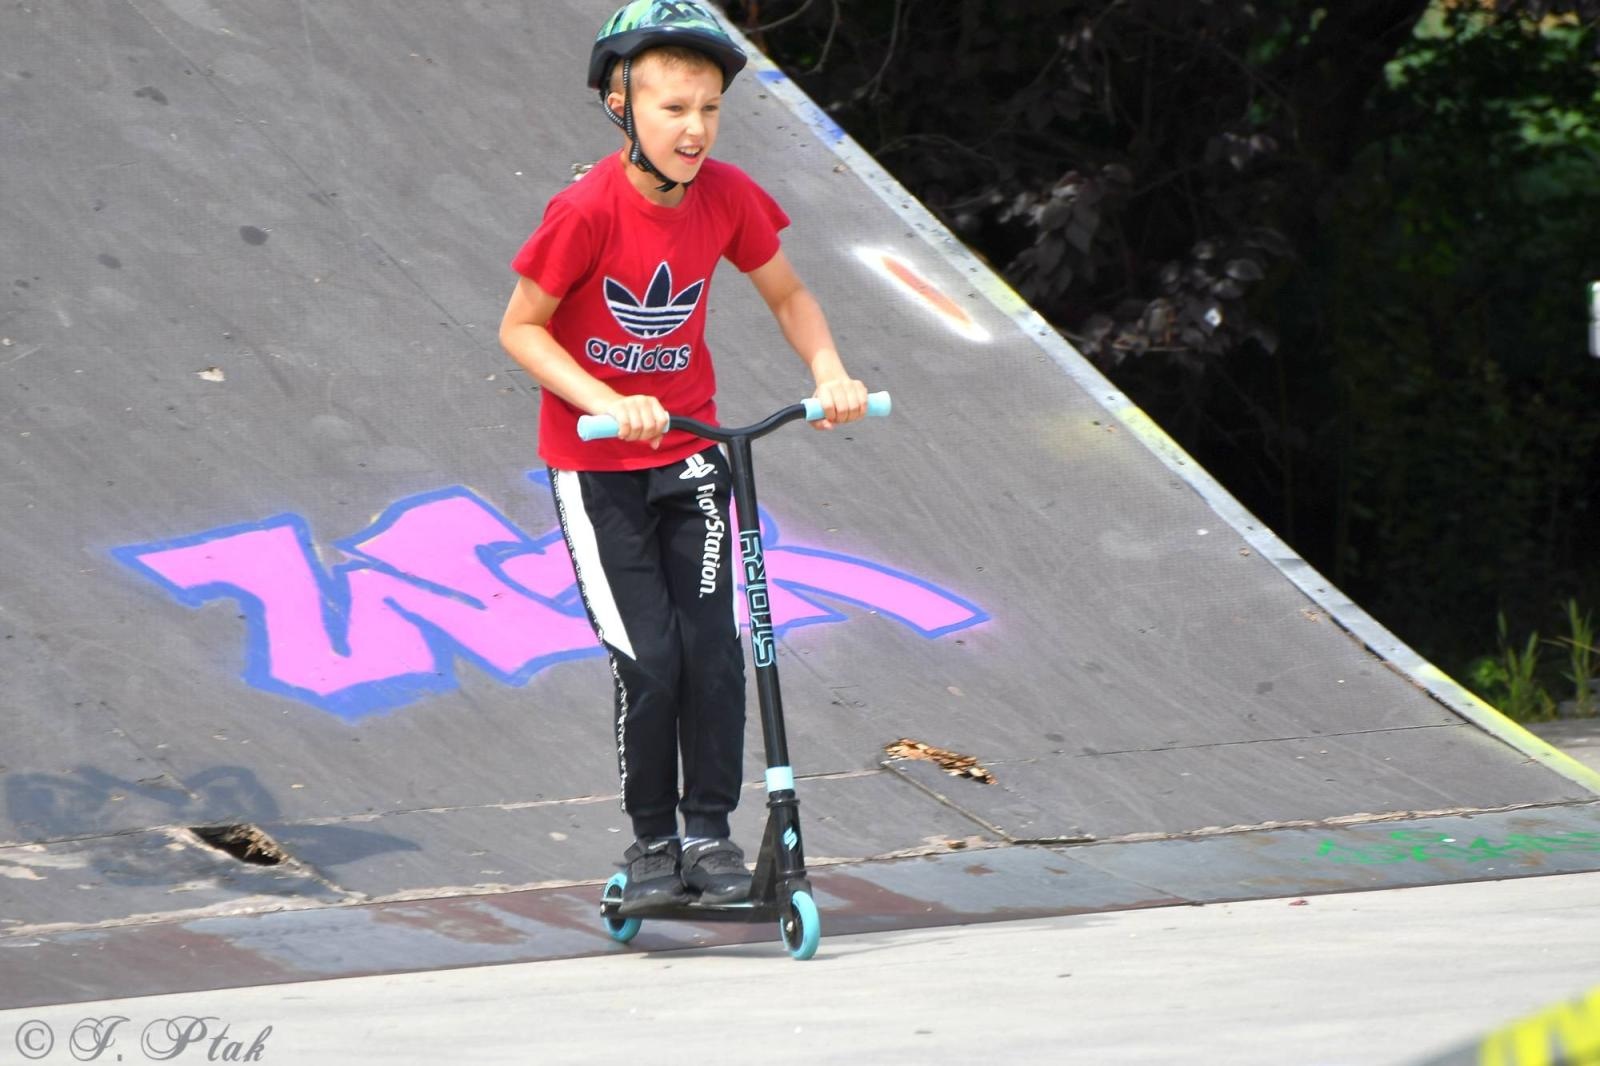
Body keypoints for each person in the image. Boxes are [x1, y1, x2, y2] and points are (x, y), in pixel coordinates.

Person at [498, 0, 869, 914]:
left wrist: (831, 372)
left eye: (708, 108)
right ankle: (652, 838)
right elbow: (521, 330)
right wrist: (604, 400)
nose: (694, 128)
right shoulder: (585, 210)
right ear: (622, 107)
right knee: (650, 659)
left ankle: (709, 834)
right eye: (673, 108)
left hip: (693, 449)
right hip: (596, 469)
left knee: (712, 650)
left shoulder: (729, 197)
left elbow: (788, 294)